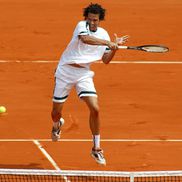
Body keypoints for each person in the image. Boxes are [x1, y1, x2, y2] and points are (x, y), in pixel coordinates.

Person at [51, 3, 129, 165]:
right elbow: (85, 39)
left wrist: (114, 48)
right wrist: (107, 43)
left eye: (96, 20)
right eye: (90, 19)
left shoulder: (104, 34)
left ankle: (96, 149)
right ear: (86, 18)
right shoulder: (81, 26)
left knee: (95, 108)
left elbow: (106, 60)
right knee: (55, 112)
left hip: (84, 74)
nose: (93, 22)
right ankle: (57, 124)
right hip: (65, 71)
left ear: (100, 20)